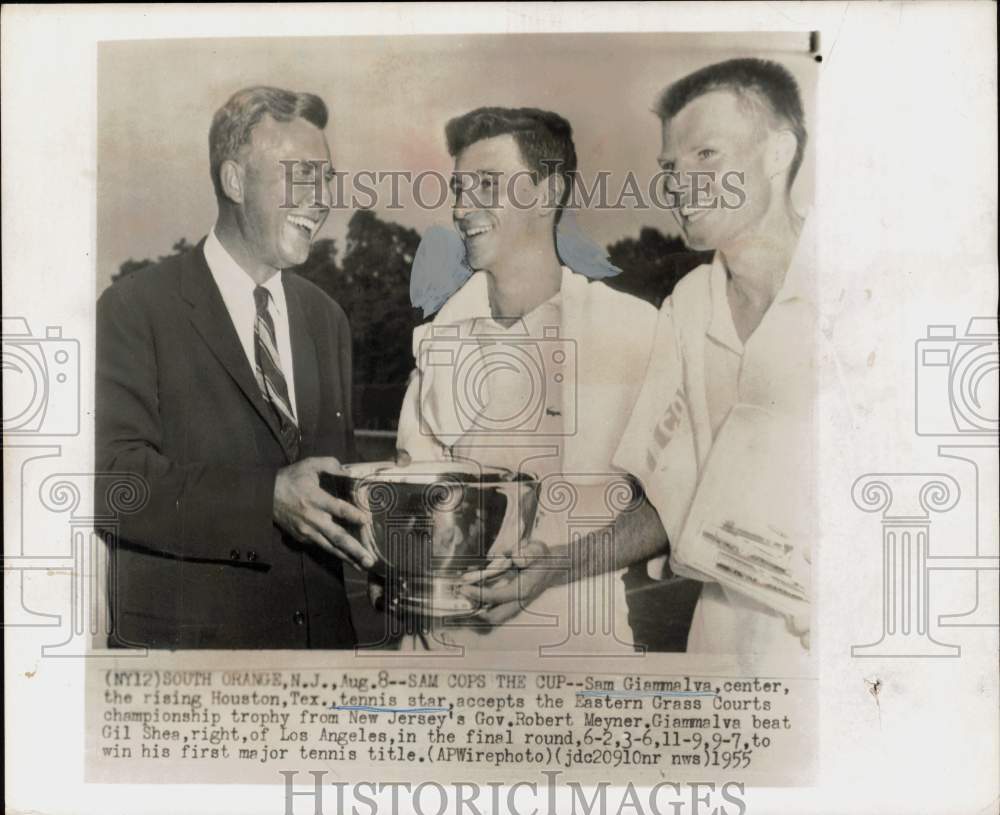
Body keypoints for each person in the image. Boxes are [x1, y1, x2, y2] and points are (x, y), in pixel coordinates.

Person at [474, 58, 841, 654]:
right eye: (670, 166)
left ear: (778, 153)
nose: (678, 183)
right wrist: (555, 566)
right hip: (723, 651)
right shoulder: (689, 306)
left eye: (707, 156)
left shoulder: (868, 291)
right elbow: (673, 499)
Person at [96, 86, 376, 649]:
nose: (320, 199)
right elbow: (113, 485)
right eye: (300, 176)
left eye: (325, 180)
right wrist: (265, 497)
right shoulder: (133, 308)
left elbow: (336, 488)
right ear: (232, 181)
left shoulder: (328, 319)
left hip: (322, 663)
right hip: (193, 668)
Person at [393, 106, 659, 651]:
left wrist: (553, 568)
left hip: (580, 661)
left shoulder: (636, 331)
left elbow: (673, 507)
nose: (464, 208)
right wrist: (399, 567)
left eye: (487, 186)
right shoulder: (439, 337)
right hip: (436, 662)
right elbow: (411, 497)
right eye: (459, 189)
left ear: (546, 192)